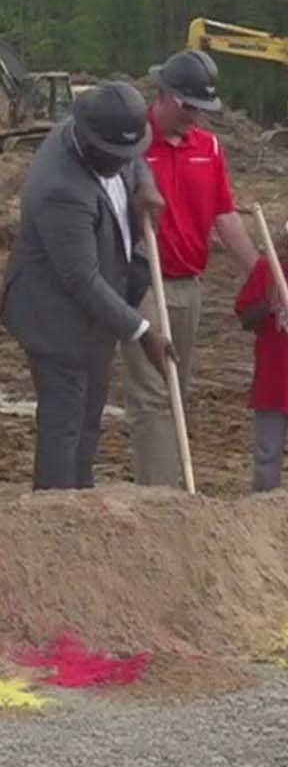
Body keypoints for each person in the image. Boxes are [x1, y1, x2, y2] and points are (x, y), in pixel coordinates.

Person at [0, 80, 171, 491]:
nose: (122, 162)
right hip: (56, 318)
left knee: (88, 420)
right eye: (113, 157)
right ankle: (55, 513)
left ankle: (82, 505)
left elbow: (135, 157)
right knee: (64, 424)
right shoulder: (60, 188)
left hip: (96, 314)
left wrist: (145, 182)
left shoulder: (103, 137)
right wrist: (142, 332)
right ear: (88, 141)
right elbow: (81, 279)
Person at [123, 49, 261, 488]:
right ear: (162, 95)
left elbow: (224, 215)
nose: (194, 117)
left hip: (190, 285)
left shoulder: (210, 147)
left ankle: (169, 489)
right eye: (187, 107)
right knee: (152, 396)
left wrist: (259, 272)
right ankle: (162, 497)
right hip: (145, 283)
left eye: (201, 109)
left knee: (176, 390)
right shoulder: (131, 143)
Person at [235, 234, 288, 493]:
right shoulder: (267, 270)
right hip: (273, 384)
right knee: (267, 456)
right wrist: (269, 304)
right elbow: (245, 318)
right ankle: (264, 514)